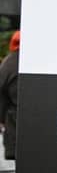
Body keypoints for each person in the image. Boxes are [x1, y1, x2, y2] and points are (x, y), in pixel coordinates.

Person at [0, 30, 20, 161]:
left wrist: (1, 119)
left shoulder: (10, 62)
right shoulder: (43, 61)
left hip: (15, 128)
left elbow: (1, 94)